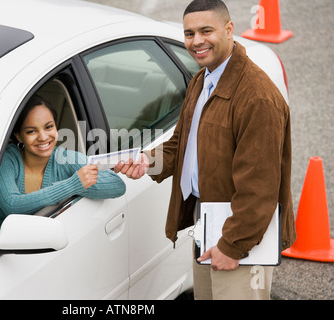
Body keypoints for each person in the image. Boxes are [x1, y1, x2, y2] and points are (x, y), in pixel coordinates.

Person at [115, 0, 296, 300]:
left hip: (239, 237)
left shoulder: (257, 98)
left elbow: (260, 188)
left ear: (229, 29)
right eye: (189, 33)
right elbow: (183, 144)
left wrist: (232, 246)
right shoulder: (202, 79)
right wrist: (148, 161)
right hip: (207, 222)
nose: (196, 41)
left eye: (206, 31)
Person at [0, 95, 126, 233]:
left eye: (48, 127)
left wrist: (80, 184)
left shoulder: (65, 159)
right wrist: (73, 185)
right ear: (19, 136)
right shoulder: (6, 160)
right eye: (31, 131)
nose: (43, 137)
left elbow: (117, 185)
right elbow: (12, 205)